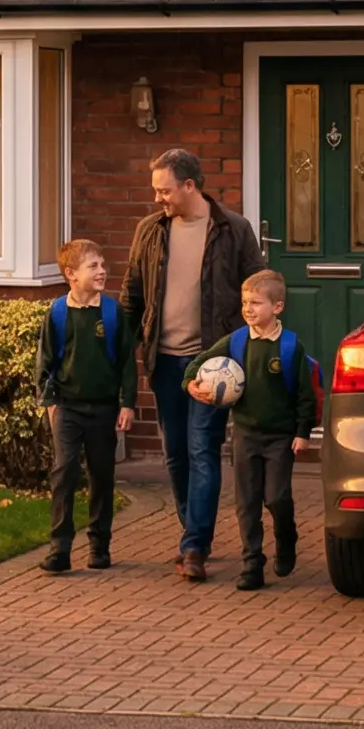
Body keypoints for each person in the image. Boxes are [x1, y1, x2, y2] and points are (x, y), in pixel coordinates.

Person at [120, 147, 263, 583]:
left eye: (165, 190)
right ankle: (191, 530)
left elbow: (256, 288)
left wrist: (247, 353)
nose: (159, 198)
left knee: (202, 448)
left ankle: (195, 545)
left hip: (211, 364)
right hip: (164, 362)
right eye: (156, 191)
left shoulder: (233, 230)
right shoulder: (149, 230)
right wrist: (122, 352)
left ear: (189, 185)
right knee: (175, 453)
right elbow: (132, 293)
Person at [188, 268, 320, 591]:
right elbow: (198, 362)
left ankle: (286, 537)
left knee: (276, 497)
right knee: (246, 502)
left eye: (256, 303)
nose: (248, 309)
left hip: (280, 438)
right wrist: (191, 383)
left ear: (277, 308)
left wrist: (303, 432)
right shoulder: (235, 341)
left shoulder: (290, 347)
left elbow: (305, 395)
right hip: (245, 434)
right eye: (245, 302)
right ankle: (252, 563)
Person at [35, 237, 137, 574]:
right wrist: (49, 404)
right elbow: (45, 362)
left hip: (104, 407)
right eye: (93, 266)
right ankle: (59, 549)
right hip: (66, 406)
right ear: (70, 273)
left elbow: (126, 362)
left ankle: (99, 545)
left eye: (103, 265)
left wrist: (127, 404)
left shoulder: (112, 312)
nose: (102, 271)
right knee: (64, 473)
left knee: (101, 475)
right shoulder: (58, 313)